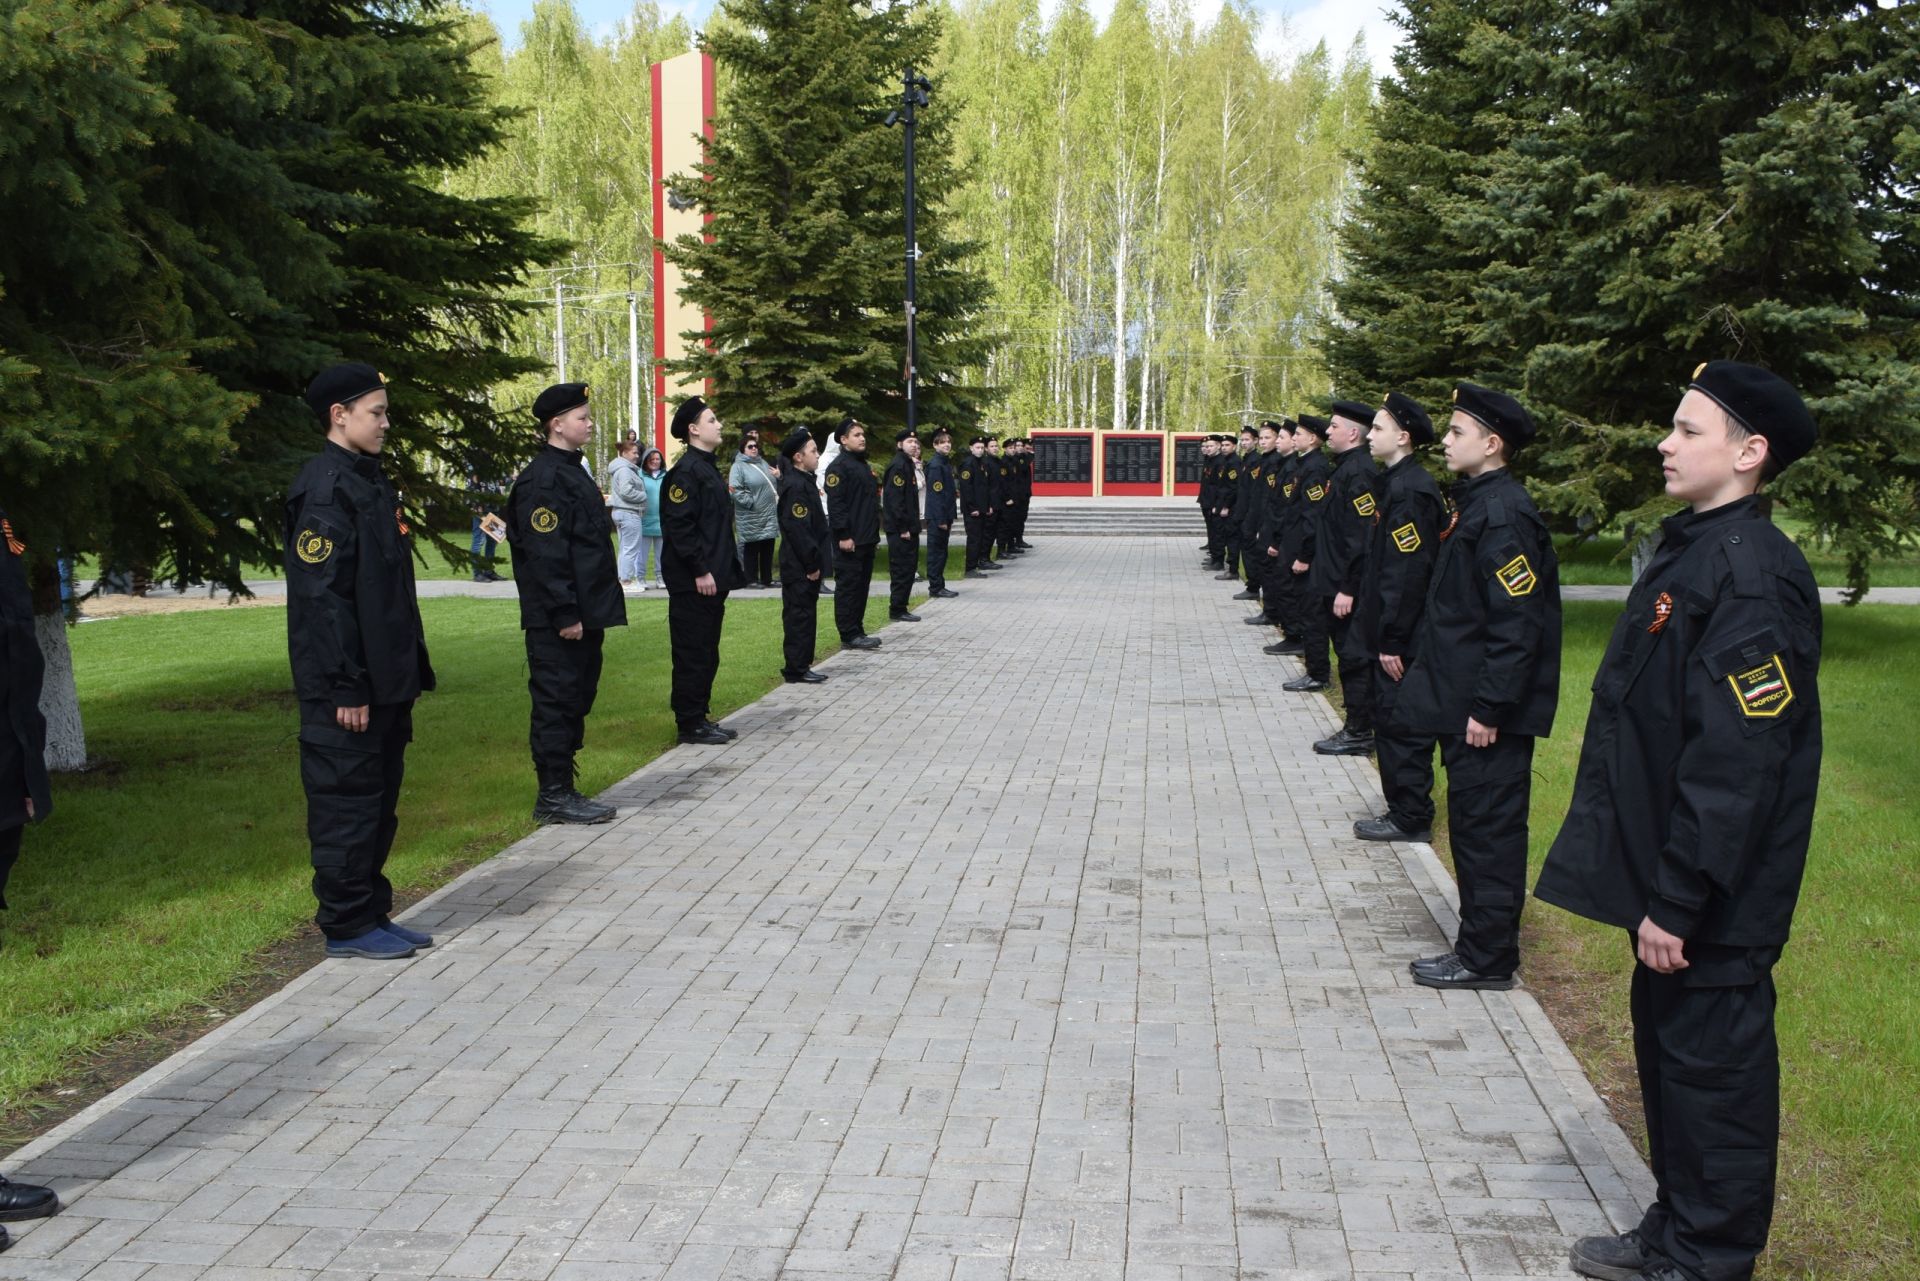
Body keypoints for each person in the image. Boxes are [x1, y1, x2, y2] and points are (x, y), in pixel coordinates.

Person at [1534, 363, 1821, 1281]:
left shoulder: (1750, 572)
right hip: (1672, 878)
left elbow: (1738, 762)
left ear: (1749, 452)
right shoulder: (1698, 548)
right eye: (1673, 424)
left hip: (1714, 898)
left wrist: (1684, 896)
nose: (1666, 441)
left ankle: (1708, 1256)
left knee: (1715, 1077)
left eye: (1689, 430)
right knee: (1670, 1065)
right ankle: (1673, 1228)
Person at [1395, 382, 1561, 990]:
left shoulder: (1503, 513)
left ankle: (1488, 959)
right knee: (1472, 827)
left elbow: (1517, 622)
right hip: (1466, 704)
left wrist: (1491, 706)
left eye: (1458, 432)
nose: (1446, 440)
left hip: (1485, 715)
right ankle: (1477, 947)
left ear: (1492, 445)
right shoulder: (1479, 503)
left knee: (1488, 832)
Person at [284, 362, 436, 960]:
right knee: (345, 804)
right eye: (376, 412)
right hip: (346, 689)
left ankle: (371, 910)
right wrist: (346, 685)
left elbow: (384, 589)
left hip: (384, 682)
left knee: (377, 802)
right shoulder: (324, 490)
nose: (385, 423)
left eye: (386, 411)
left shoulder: (369, 481)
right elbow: (322, 601)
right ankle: (345, 924)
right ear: (338, 415)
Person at [507, 382, 627, 822]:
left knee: (577, 696)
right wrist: (564, 612)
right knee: (556, 701)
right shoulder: (544, 478)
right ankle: (553, 795)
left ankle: (565, 786)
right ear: (556, 425)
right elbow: (546, 553)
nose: (590, 422)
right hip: (560, 617)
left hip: (585, 610)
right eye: (582, 416)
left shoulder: (571, 469)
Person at [1353, 392, 1447, 842]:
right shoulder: (1396, 483)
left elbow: (1408, 574)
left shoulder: (1410, 491)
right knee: (1387, 720)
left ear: (1403, 438)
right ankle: (1401, 808)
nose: (1370, 436)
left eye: (1378, 428)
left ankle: (1411, 816)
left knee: (1400, 723)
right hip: (1388, 631)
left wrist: (1392, 640)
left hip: (1402, 639)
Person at [660, 396, 743, 744]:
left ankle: (700, 715)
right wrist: (699, 570)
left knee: (707, 650)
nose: (719, 424)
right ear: (694, 430)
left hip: (712, 578)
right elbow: (681, 527)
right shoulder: (686, 473)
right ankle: (689, 723)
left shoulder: (706, 468)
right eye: (712, 420)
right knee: (693, 652)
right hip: (695, 582)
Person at [1306, 399, 1383, 754]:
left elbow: (1361, 538)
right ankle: (1357, 725)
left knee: (1353, 659)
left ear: (1353, 433)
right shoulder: (1345, 469)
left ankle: (1359, 731)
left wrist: (1348, 588)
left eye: (1334, 426)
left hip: (1345, 587)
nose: (1328, 431)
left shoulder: (1360, 472)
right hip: (1332, 580)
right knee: (1346, 656)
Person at [1282, 416, 1334, 691]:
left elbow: (1312, 518)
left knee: (1313, 617)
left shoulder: (1315, 468)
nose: (1294, 438)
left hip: (1307, 558)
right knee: (1306, 613)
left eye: (1298, 434)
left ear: (1312, 438)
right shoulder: (1306, 464)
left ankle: (1318, 673)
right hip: (1297, 549)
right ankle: (1313, 668)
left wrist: (1304, 555)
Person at [775, 427, 831, 684]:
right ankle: (796, 668)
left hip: (806, 563)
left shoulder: (804, 481)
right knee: (799, 616)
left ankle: (802, 664)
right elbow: (799, 530)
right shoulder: (796, 486)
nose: (817, 455)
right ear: (798, 457)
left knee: (806, 614)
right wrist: (811, 563)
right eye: (813, 451)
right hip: (799, 565)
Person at [825, 417, 882, 649]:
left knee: (862, 586)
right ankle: (848, 634)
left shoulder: (861, 464)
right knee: (849, 587)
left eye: (862, 434)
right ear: (843, 440)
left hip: (865, 538)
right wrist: (844, 535)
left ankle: (857, 629)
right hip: (850, 539)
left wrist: (872, 536)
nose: (862, 438)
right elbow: (837, 505)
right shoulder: (838, 467)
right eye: (856, 435)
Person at [1235, 422, 1280, 614]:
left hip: (1264, 520)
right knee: (1255, 558)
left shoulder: (1274, 462)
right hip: (1254, 516)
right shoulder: (1264, 460)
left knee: (1265, 566)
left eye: (1266, 438)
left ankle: (1267, 607)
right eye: (1261, 438)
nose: (1263, 442)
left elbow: (1270, 497)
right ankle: (1256, 591)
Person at [882, 430, 924, 622]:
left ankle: (901, 606)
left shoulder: (907, 464)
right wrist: (903, 528)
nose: (914, 445)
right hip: (901, 530)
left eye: (916, 442)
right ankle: (897, 609)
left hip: (909, 527)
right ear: (900, 444)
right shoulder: (898, 465)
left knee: (908, 569)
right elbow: (894, 500)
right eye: (909, 441)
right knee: (901, 569)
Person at [729, 430, 780, 589]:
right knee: (752, 548)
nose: (754, 448)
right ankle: (750, 579)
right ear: (743, 449)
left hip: (768, 514)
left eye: (756, 446)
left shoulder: (762, 463)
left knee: (767, 547)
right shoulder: (738, 466)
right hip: (751, 515)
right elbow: (734, 489)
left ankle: (767, 579)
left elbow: (770, 482)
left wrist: (778, 476)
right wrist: (751, 503)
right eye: (750, 446)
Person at [607, 437, 648, 594]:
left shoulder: (623, 468)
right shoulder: (625, 470)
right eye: (634, 453)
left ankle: (623, 579)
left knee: (625, 548)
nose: (637, 456)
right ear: (624, 453)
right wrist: (643, 495)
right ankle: (626, 581)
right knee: (630, 548)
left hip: (622, 512)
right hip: (629, 512)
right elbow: (626, 491)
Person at [923, 428, 959, 598]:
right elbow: (936, 494)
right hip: (938, 517)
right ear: (935, 445)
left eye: (948, 442)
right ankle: (935, 587)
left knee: (941, 552)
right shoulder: (936, 465)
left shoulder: (944, 463)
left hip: (945, 515)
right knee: (936, 552)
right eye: (942, 442)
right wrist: (941, 519)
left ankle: (939, 584)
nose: (947, 445)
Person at [957, 435, 999, 577]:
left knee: (980, 538)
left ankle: (976, 565)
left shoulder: (981, 463)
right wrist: (972, 507)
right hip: (973, 510)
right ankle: (970, 568)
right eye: (977, 447)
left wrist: (987, 506)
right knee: (974, 539)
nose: (980, 450)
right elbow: (966, 488)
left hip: (981, 508)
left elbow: (984, 488)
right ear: (971, 448)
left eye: (982, 447)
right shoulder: (968, 464)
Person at [467, 466, 506, 582]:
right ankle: (477, 573)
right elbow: (473, 486)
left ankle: (489, 571)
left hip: (493, 508)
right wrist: (477, 508)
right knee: (478, 541)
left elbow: (498, 484)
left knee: (492, 541)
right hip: (481, 509)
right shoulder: (477, 463)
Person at [638, 447, 666, 589]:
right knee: (641, 554)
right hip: (644, 520)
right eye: (652, 459)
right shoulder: (639, 475)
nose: (655, 462)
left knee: (661, 554)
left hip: (661, 521)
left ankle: (660, 578)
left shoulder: (666, 476)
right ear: (646, 461)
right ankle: (640, 578)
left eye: (657, 459)